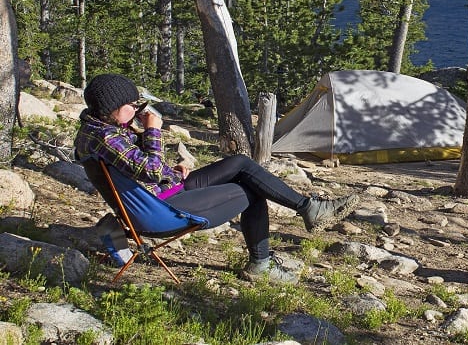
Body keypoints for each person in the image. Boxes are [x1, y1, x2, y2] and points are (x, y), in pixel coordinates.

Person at [74, 74, 360, 283]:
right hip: (158, 211)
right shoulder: (106, 137)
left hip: (158, 194)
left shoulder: (98, 129)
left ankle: (309, 207)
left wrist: (171, 172)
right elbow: (149, 168)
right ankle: (262, 264)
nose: (138, 110)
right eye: (133, 105)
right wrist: (153, 131)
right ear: (113, 107)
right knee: (250, 191)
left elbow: (143, 171)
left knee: (241, 164)